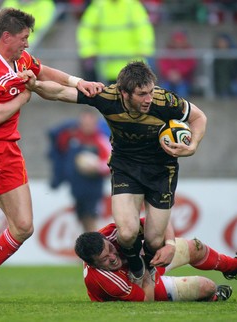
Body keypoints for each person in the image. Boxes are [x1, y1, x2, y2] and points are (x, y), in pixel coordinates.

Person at [0, 7, 103, 303]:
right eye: (24, 37)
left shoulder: (21, 60)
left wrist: (78, 82)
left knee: (24, 227)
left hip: (9, 149)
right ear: (7, 37)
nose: (27, 43)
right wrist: (26, 94)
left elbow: (46, 71)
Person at [27, 61, 207, 293]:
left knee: (154, 240)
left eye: (151, 91)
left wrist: (192, 146)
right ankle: (135, 265)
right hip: (126, 166)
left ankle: (147, 264)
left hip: (161, 170)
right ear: (124, 93)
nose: (149, 98)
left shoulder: (165, 101)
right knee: (127, 232)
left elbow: (199, 117)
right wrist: (34, 85)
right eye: (142, 94)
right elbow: (61, 92)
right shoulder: (107, 97)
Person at [74, 218, 237, 302]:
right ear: (93, 264)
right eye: (105, 260)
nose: (113, 257)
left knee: (195, 246)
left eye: (110, 249)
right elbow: (145, 300)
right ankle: (212, 297)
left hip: (144, 263)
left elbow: (160, 222)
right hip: (139, 285)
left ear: (106, 240)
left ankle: (234, 266)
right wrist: (147, 273)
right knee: (206, 286)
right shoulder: (104, 280)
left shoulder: (111, 233)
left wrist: (170, 245)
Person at [47, 110, 111, 232]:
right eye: (84, 123)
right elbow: (57, 149)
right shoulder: (73, 137)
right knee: (82, 219)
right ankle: (90, 248)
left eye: (89, 123)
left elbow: (110, 163)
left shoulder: (100, 140)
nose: (86, 126)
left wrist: (96, 167)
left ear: (95, 124)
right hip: (77, 188)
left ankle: (98, 248)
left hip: (93, 190)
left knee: (92, 219)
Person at [76, 0, 155, 84]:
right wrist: (89, 50)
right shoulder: (98, 6)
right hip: (105, 65)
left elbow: (144, 29)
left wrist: (144, 48)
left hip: (132, 66)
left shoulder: (132, 5)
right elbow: (86, 30)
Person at [157, 30, 198, 97]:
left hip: (184, 79)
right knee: (163, 91)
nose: (178, 43)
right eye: (176, 41)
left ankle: (182, 107)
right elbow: (163, 65)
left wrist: (179, 74)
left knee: (182, 92)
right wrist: (170, 73)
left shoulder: (189, 50)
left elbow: (190, 65)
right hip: (168, 79)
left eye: (180, 41)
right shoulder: (167, 50)